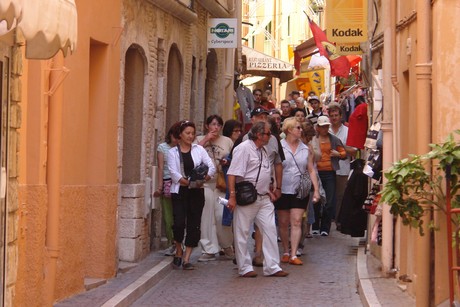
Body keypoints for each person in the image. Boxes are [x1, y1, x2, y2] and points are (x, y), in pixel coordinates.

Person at [227, 121, 289, 278]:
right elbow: (232, 173)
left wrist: (269, 189)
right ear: (259, 135)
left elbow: (262, 172)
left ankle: (273, 266)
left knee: (270, 230)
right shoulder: (243, 149)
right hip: (247, 197)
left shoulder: (263, 150)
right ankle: (245, 267)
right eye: (268, 133)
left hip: (263, 197)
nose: (271, 136)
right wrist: (232, 196)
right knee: (242, 232)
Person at [167, 120, 216, 270]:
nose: (190, 136)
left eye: (192, 133)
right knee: (179, 223)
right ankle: (178, 250)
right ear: (180, 134)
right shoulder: (172, 152)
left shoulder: (199, 150)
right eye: (187, 133)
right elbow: (174, 173)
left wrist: (204, 179)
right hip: (180, 191)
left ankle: (187, 258)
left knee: (194, 224)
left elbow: (211, 167)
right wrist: (187, 183)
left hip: (197, 192)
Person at [275, 117, 320, 266]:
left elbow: (311, 169)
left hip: (300, 188)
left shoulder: (306, 148)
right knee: (283, 222)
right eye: (298, 128)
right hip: (283, 188)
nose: (301, 130)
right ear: (289, 130)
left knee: (296, 221)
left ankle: (293, 254)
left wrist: (316, 190)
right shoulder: (279, 147)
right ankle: (286, 251)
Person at [196, 115, 235, 262]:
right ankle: (208, 248)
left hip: (222, 184)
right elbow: (193, 154)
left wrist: (227, 161)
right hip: (204, 184)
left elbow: (234, 158)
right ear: (207, 126)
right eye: (213, 124)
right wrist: (206, 139)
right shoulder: (198, 140)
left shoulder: (227, 141)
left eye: (219, 125)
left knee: (221, 215)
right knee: (206, 217)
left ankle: (226, 245)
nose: (216, 128)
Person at [311, 116, 346, 236]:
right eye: (322, 127)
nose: (325, 129)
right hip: (316, 172)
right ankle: (315, 225)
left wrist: (338, 154)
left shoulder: (334, 139)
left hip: (330, 172)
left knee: (330, 200)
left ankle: (325, 227)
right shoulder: (312, 140)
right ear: (317, 128)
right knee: (316, 199)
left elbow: (344, 153)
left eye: (326, 126)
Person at [328, 103, 355, 230]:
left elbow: (354, 151)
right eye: (332, 115)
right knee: (327, 196)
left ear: (340, 116)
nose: (334, 118)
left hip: (342, 168)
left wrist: (339, 148)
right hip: (326, 167)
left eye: (336, 115)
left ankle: (338, 219)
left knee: (340, 196)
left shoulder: (347, 131)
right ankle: (326, 220)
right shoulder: (325, 129)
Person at [154, 122, 179, 256]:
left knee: (179, 215)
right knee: (169, 216)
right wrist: (160, 186)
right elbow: (160, 167)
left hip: (180, 183)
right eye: (174, 137)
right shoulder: (162, 148)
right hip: (167, 183)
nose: (176, 140)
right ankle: (173, 243)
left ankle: (179, 243)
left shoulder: (182, 148)